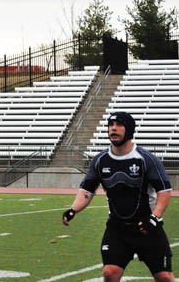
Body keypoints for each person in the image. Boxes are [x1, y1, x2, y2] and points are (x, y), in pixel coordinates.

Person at [62, 112, 174, 282]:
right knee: (110, 272)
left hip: (148, 228)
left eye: (119, 124)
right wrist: (73, 209)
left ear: (129, 130)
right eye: (111, 124)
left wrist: (154, 218)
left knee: (164, 277)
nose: (113, 128)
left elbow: (164, 191)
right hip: (117, 229)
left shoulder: (146, 159)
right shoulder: (100, 160)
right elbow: (87, 190)